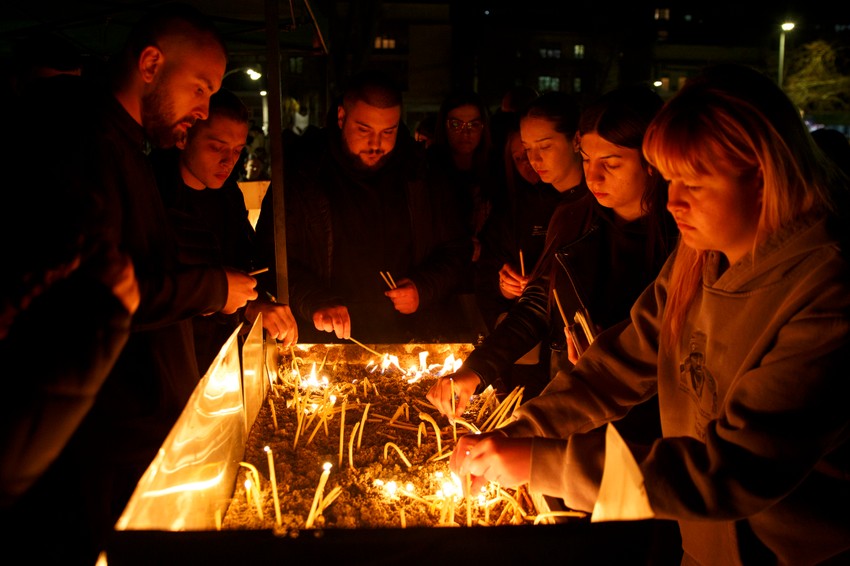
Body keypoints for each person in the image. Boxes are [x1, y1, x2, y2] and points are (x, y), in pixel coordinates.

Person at [448, 64, 850, 566]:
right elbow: (622, 361)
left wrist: (543, 463)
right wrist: (524, 429)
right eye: (667, 178)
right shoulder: (700, 253)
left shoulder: (827, 293)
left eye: (694, 183)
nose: (673, 200)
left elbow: (732, 471)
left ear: (762, 176)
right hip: (703, 542)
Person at [2, 5, 258, 564]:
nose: (205, 110)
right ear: (150, 63)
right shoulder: (85, 144)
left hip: (131, 424)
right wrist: (213, 289)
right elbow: (109, 292)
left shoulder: (127, 148)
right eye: (200, 89)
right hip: (101, 436)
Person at [254, 69, 473, 344]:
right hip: (322, 342)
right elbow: (269, 258)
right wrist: (315, 299)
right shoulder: (303, 173)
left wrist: (424, 287)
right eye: (364, 129)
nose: (376, 144)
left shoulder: (421, 172)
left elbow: (458, 249)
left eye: (388, 132)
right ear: (341, 117)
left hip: (408, 341)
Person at [429, 91, 591, 400]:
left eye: (544, 146)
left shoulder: (592, 210)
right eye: (526, 151)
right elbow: (535, 305)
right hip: (558, 367)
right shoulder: (555, 212)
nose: (534, 160)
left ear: (576, 141)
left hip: (595, 379)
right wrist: (475, 371)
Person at [151, 88, 297, 372]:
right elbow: (166, 290)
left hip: (222, 359)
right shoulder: (156, 197)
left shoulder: (227, 193)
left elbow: (243, 262)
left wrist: (259, 300)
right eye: (217, 147)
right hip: (171, 366)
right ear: (184, 137)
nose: (228, 161)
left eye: (237, 150)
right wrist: (247, 308)